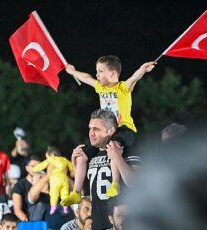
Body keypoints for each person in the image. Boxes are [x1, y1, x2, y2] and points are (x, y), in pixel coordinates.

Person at [65, 55, 155, 198]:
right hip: (106, 130)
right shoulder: (100, 88)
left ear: (112, 74)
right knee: (81, 156)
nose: (97, 75)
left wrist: (142, 69)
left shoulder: (123, 88)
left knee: (113, 147)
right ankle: (76, 193)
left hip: (123, 129)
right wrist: (72, 72)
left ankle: (115, 184)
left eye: (100, 71)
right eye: (97, 71)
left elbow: (134, 79)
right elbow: (87, 78)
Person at [63, 109, 141, 230]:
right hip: (98, 224)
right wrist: (75, 164)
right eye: (90, 128)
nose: (91, 133)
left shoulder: (126, 150)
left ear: (110, 131)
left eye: (96, 129)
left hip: (122, 224)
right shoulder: (91, 155)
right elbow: (86, 194)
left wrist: (117, 157)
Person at [32, 146, 74, 214]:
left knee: (54, 194)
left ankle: (53, 207)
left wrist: (33, 169)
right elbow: (71, 166)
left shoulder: (50, 160)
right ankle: (65, 207)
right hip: (64, 179)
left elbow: (41, 165)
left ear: (51, 155)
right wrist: (72, 172)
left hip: (55, 179)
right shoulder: (64, 159)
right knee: (65, 193)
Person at [11, 155, 42, 221]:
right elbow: (17, 210)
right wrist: (28, 223)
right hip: (28, 222)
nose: (36, 169)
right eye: (33, 166)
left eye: (38, 166)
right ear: (27, 168)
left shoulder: (45, 184)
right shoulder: (19, 186)